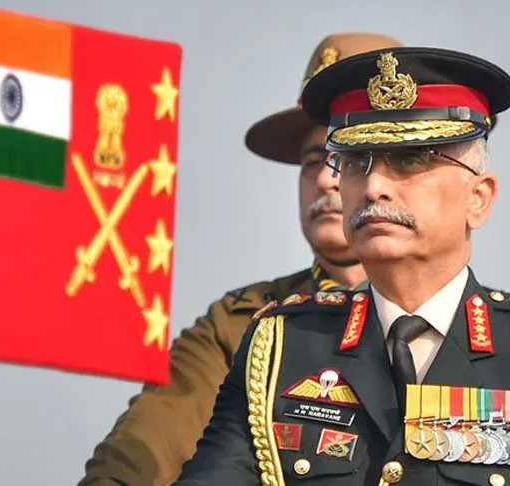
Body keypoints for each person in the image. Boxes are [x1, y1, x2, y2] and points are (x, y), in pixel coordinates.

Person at [171, 46, 510, 485]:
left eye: (408, 160)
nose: (374, 187)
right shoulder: (282, 348)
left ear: (478, 198)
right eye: (356, 162)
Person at [78, 33, 402, 486]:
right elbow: (140, 455)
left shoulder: (474, 326)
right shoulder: (241, 326)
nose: (326, 181)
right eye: (313, 161)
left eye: (349, 159)